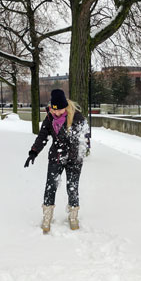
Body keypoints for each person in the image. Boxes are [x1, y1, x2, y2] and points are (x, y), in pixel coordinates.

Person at [24, 89, 89, 233]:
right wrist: (33, 152)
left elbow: (85, 139)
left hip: (74, 159)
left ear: (65, 106)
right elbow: (42, 136)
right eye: (54, 110)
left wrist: (77, 154)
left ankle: (73, 216)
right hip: (56, 157)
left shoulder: (77, 117)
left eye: (59, 110)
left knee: (72, 187)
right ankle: (47, 216)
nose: (57, 113)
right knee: (50, 186)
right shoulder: (49, 118)